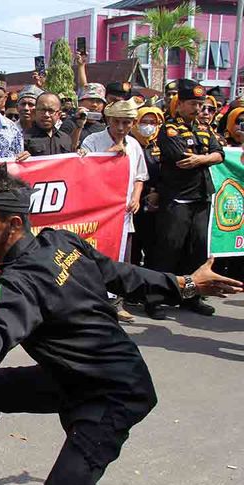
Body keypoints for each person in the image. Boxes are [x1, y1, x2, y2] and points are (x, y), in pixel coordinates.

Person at [0, 163, 241, 485]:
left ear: (11, 225)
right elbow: (124, 275)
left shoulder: (23, 281)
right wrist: (185, 283)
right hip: (72, 377)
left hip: (112, 396)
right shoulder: (60, 242)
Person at [147, 79, 225, 318]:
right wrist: (207, 157)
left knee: (197, 251)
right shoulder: (169, 129)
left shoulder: (204, 128)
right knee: (168, 250)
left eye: (200, 104)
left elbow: (219, 153)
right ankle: (154, 299)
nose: (198, 109)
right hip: (177, 199)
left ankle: (191, 297)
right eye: (193, 103)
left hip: (201, 197)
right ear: (179, 104)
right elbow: (182, 158)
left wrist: (203, 158)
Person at [80, 98, 150, 322]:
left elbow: (140, 177)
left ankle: (117, 302)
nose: (121, 128)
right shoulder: (93, 140)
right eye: (117, 122)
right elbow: (83, 170)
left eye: (127, 123)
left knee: (121, 259)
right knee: (93, 258)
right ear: (109, 120)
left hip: (122, 213)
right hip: (97, 212)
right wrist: (110, 154)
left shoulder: (135, 145)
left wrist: (136, 197)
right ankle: (92, 303)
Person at [130, 106, 165, 275]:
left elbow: (168, 171)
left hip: (155, 201)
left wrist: (157, 192)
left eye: (153, 122)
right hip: (132, 200)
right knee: (133, 246)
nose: (149, 126)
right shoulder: (129, 143)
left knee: (153, 246)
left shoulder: (161, 144)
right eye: (144, 122)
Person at [59, 83, 107, 150]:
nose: (95, 105)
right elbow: (64, 149)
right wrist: (79, 126)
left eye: (99, 101)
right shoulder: (69, 124)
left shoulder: (103, 129)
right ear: (79, 102)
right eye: (91, 100)